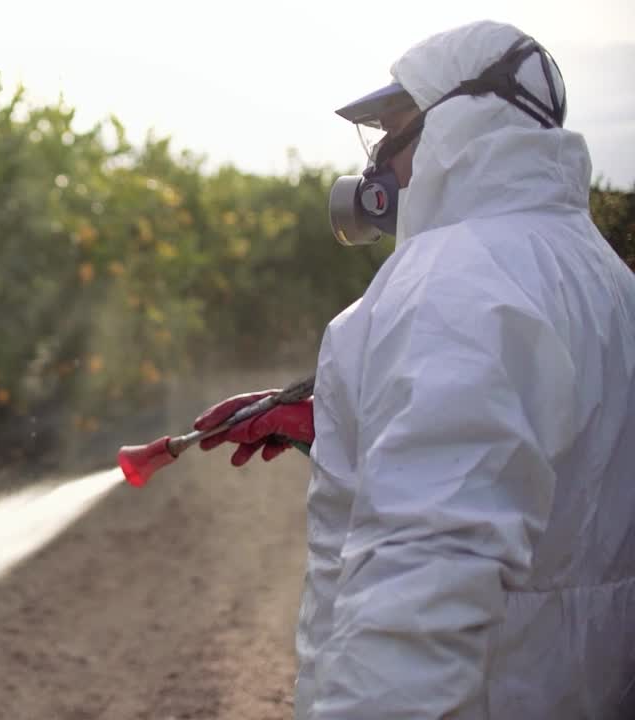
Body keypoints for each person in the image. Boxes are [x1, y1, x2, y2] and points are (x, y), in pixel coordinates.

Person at [194, 20, 635, 719]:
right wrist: (351, 415)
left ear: (454, 129)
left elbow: (426, 576)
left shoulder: (453, 280)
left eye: (391, 135)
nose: (380, 169)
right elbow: (555, 443)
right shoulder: (602, 275)